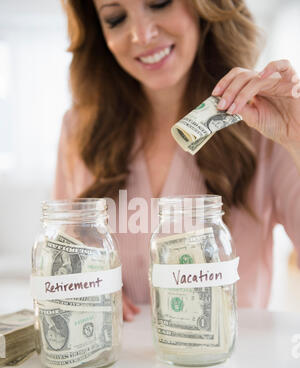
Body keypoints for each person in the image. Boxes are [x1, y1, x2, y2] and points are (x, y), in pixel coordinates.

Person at [54, 0, 300, 320]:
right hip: (119, 363)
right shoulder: (78, 131)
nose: (141, 35)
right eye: (115, 18)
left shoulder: (264, 127)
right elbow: (64, 261)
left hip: (231, 365)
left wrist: (296, 138)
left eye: (158, 3)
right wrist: (79, 288)